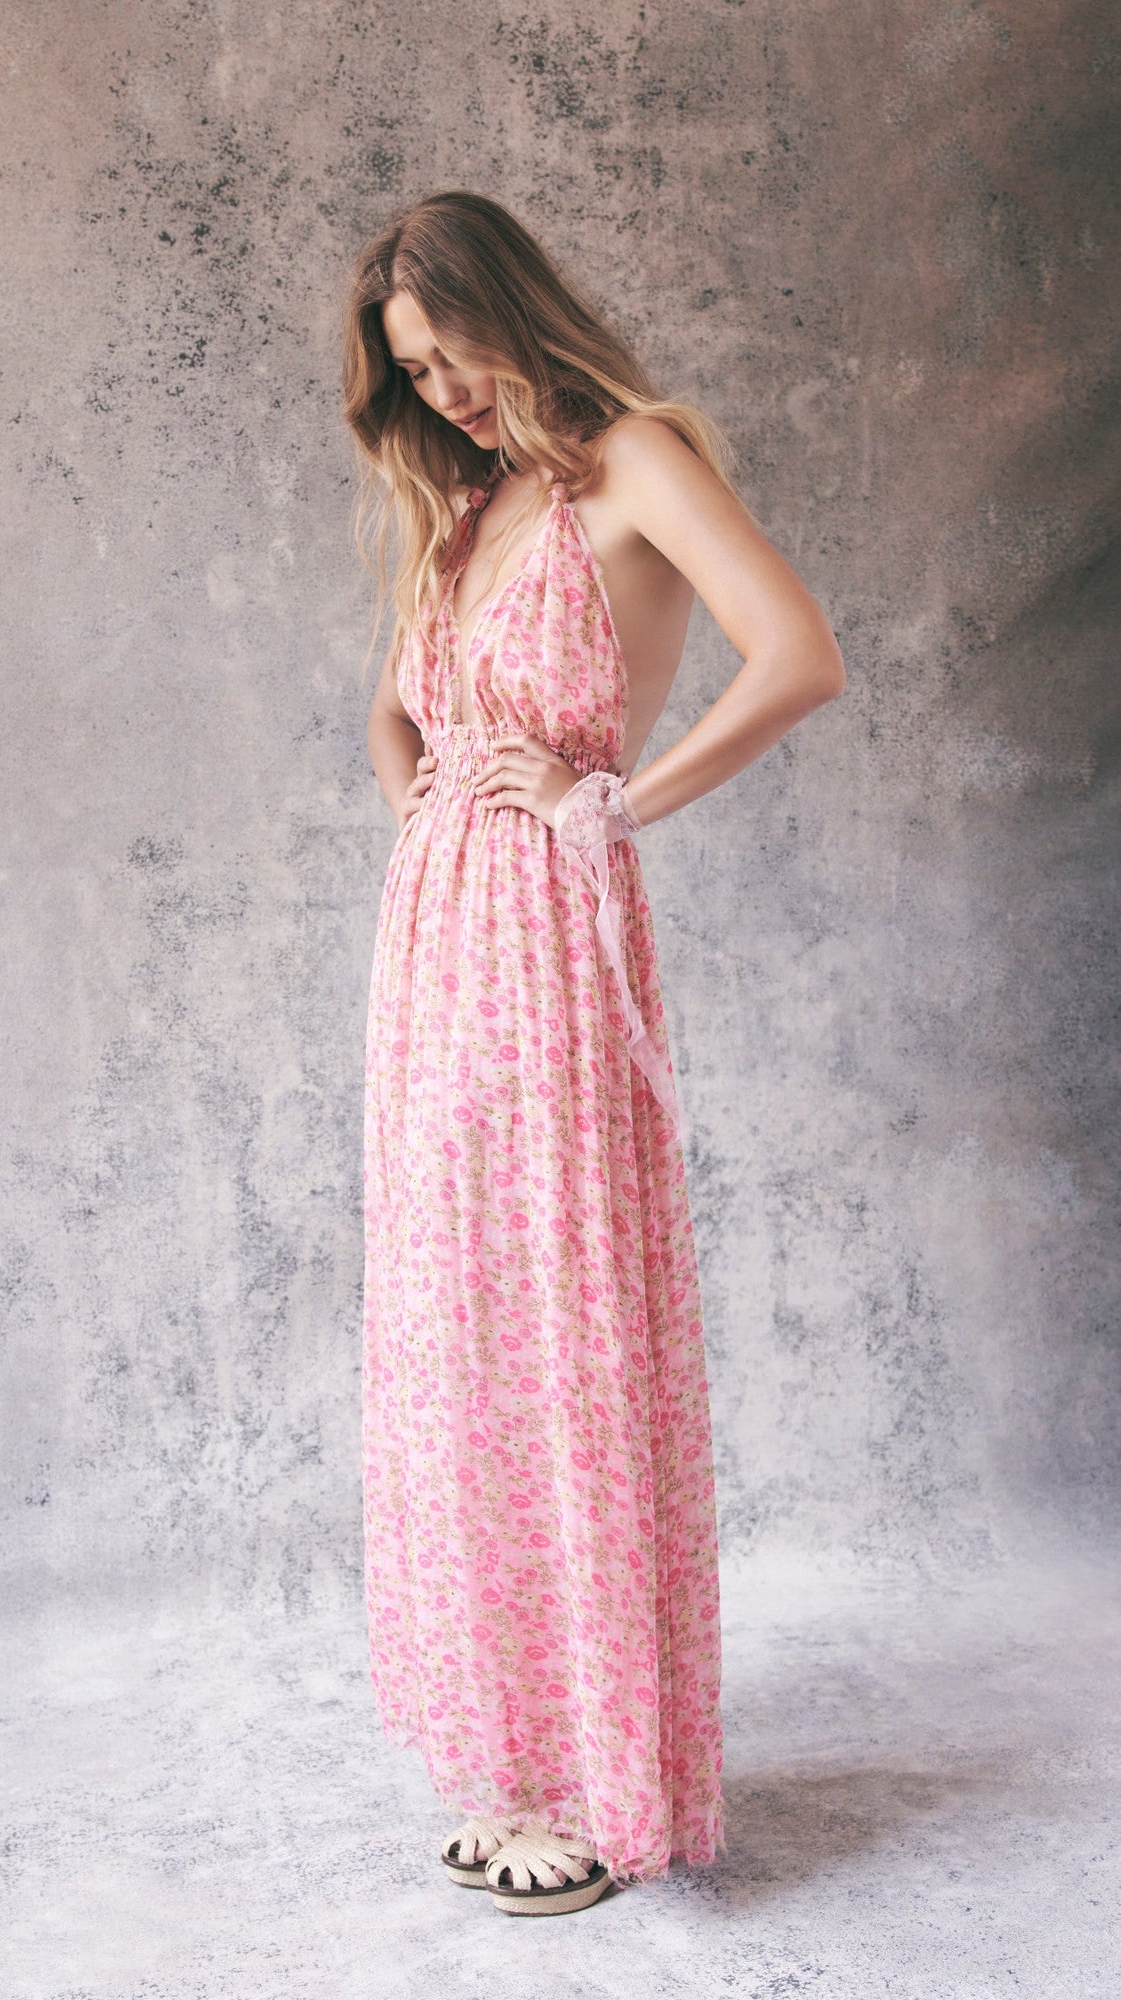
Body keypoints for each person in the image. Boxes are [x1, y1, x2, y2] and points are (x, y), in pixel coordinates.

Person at [341, 190, 846, 1918]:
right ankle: (506, 1749)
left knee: (550, 1326)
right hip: (431, 961)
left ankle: (585, 1769)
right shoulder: (466, 501)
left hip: (552, 950)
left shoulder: (631, 462)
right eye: (413, 375)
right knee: (453, 1343)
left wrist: (606, 799)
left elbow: (800, 657)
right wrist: (424, 785)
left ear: (507, 306)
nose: (447, 395)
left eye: (453, 354)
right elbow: (398, 703)